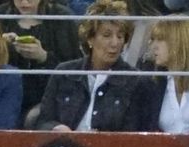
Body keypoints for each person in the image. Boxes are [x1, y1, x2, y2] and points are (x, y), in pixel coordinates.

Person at [34, 0, 160, 131]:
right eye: (107, 35)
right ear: (90, 39)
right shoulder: (64, 73)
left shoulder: (136, 81)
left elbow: (134, 133)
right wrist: (56, 128)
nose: (115, 43)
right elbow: (43, 121)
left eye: (120, 36)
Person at [0, 0, 79, 117]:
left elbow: (74, 69)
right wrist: (0, 46)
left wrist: (43, 57)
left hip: (51, 96)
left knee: (36, 116)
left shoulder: (62, 17)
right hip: (6, 95)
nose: (24, 2)